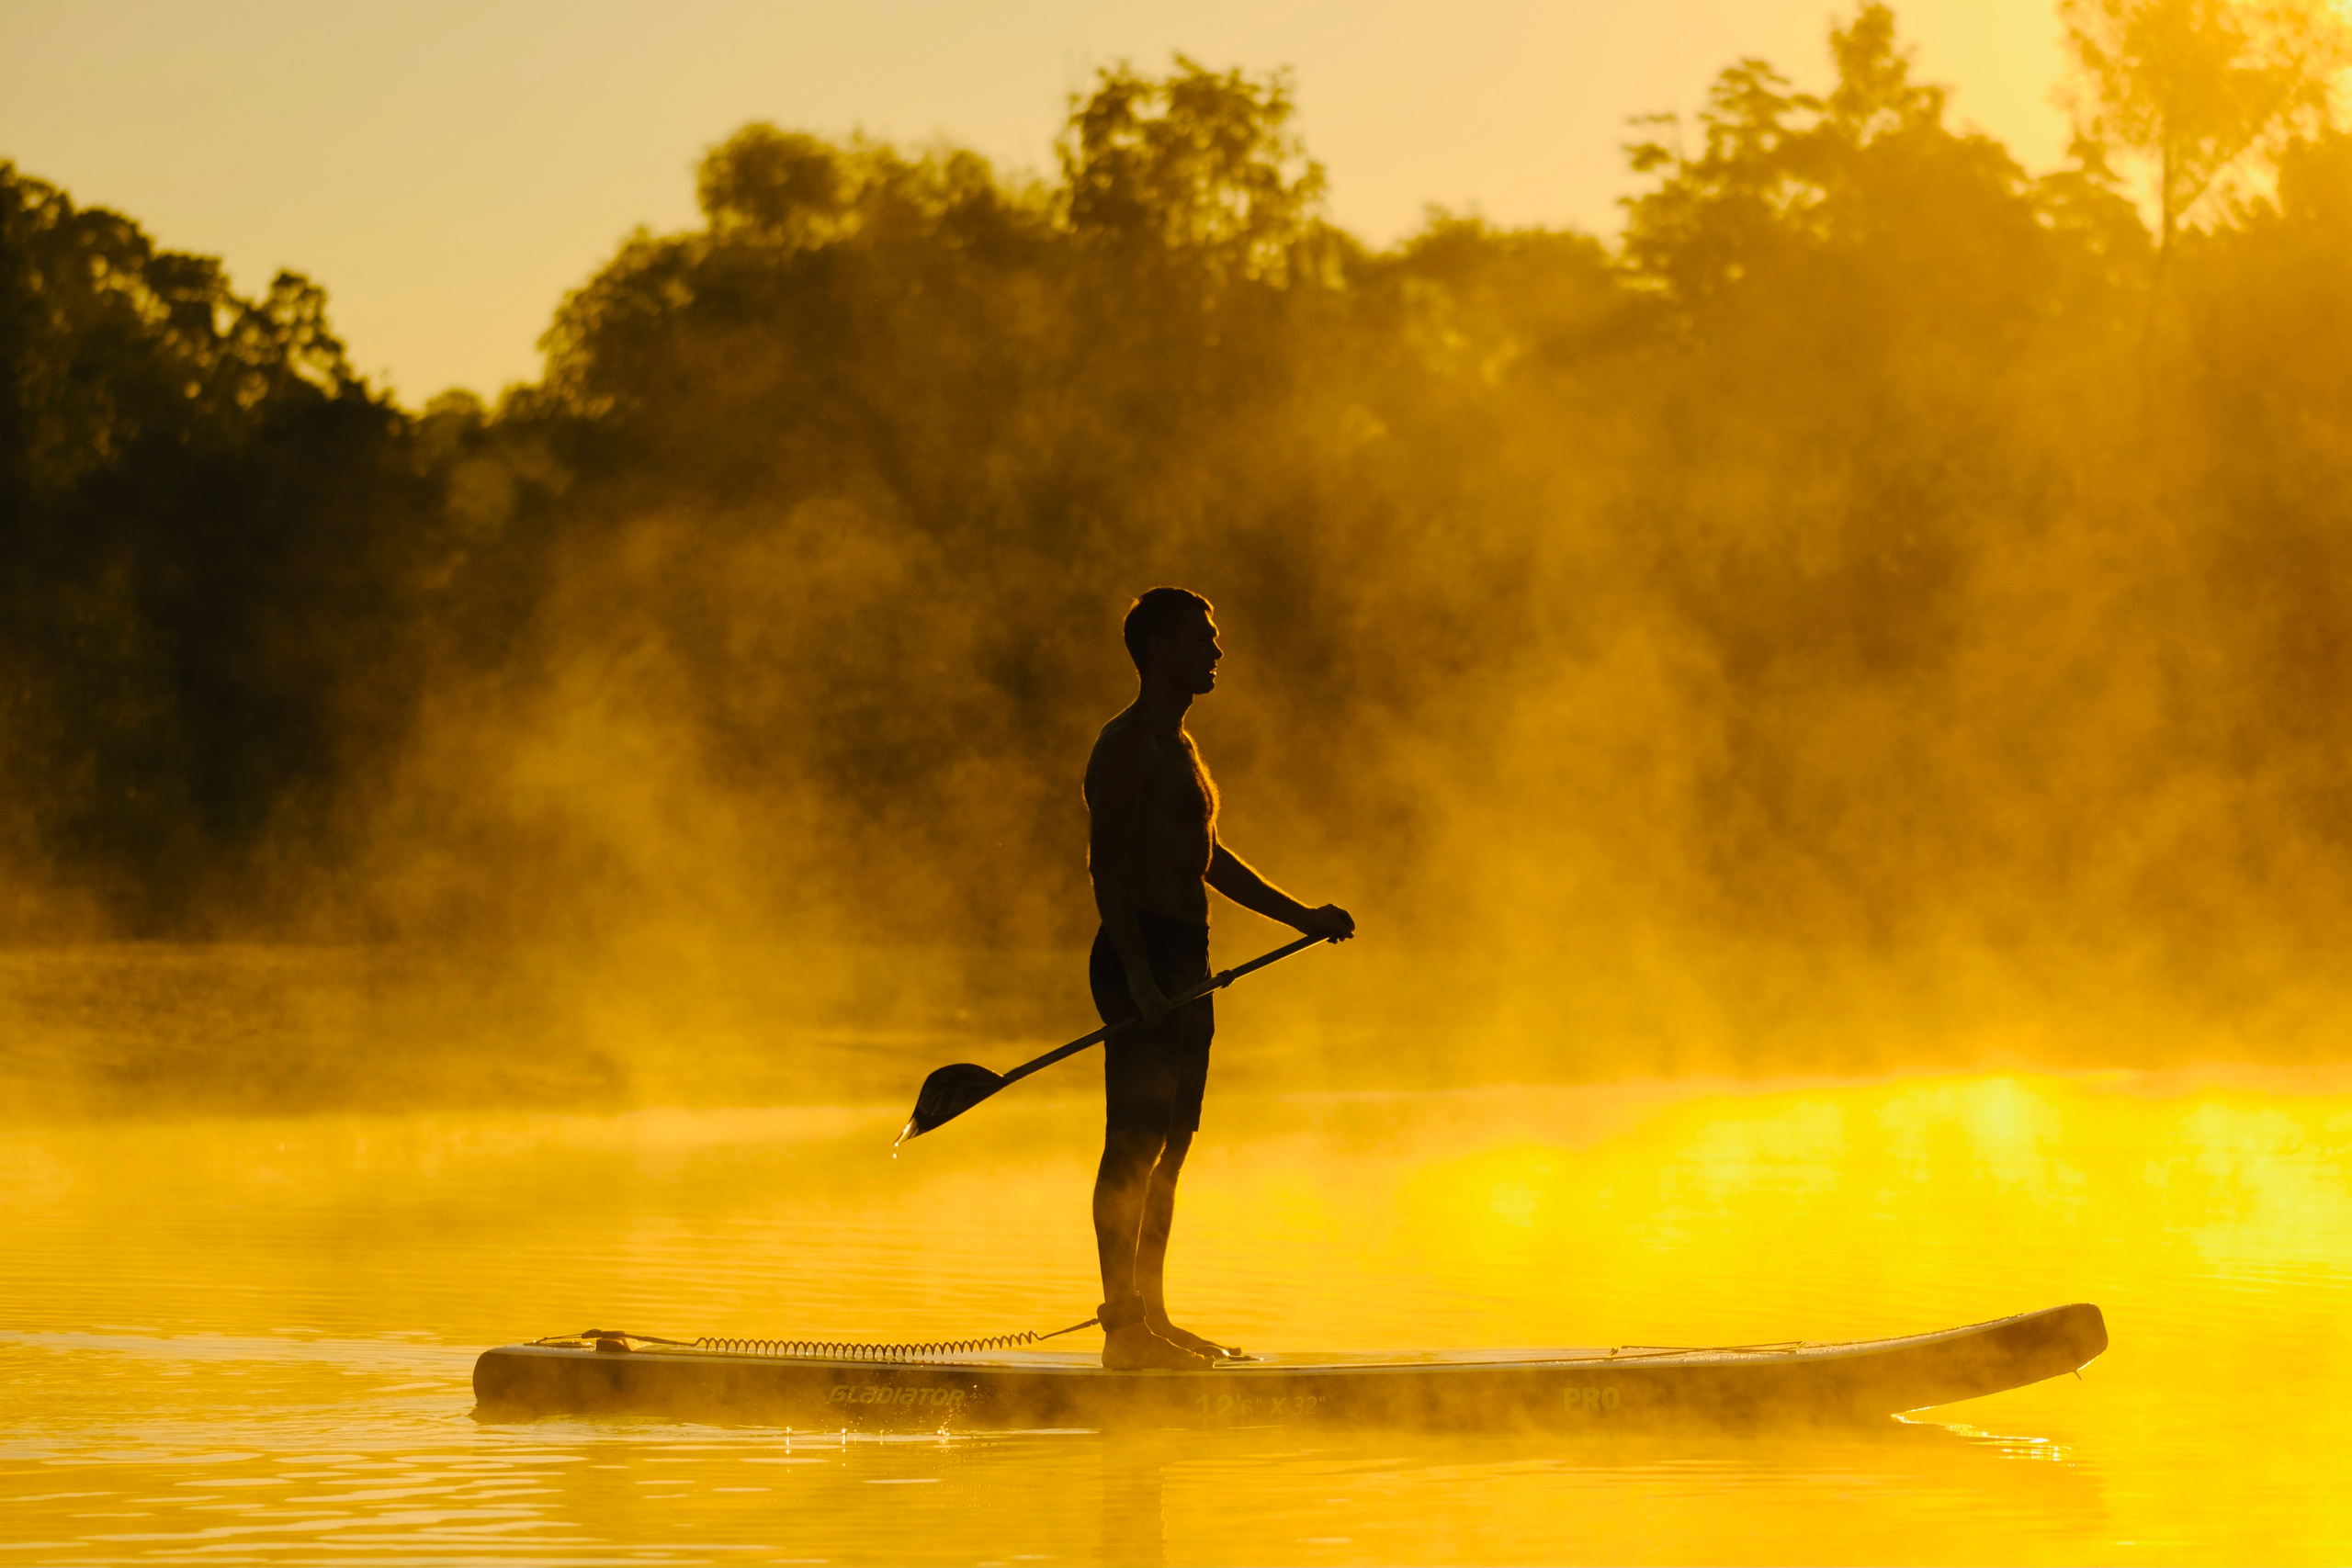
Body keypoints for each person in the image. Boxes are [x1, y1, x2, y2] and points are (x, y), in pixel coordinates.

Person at [1083, 587, 1355, 1371]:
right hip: (1139, 956)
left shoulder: (1182, 747)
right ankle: (1122, 1330)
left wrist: (1301, 915)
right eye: (1203, 637)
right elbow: (1107, 867)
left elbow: (1209, 858)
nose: (1217, 650)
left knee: (1172, 1147)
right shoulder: (1125, 744)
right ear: (1160, 648)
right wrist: (1136, 972)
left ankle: (1155, 1321)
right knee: (1131, 1147)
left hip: (1189, 961)